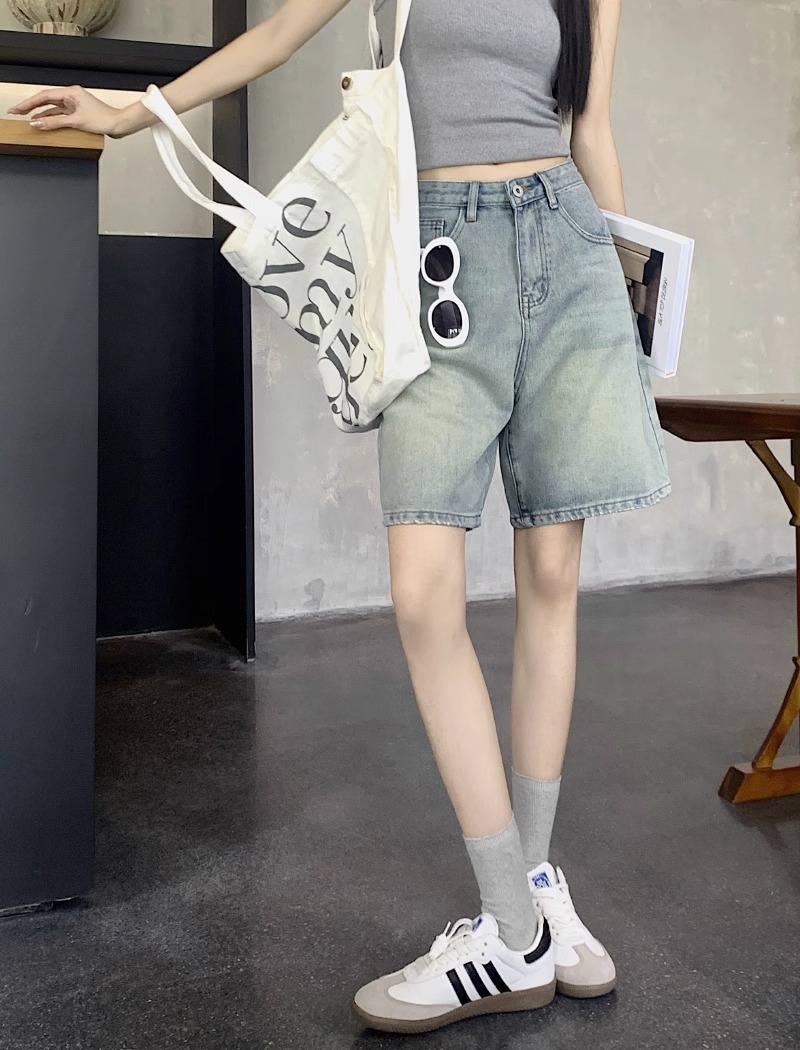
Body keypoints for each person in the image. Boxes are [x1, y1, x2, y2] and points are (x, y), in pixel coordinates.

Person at [11, 0, 670, 1034]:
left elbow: (590, 126)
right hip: (436, 260)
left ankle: (533, 897)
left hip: (571, 255)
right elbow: (274, 39)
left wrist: (636, 309)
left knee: (551, 577)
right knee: (422, 594)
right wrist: (128, 112)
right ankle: (513, 927)